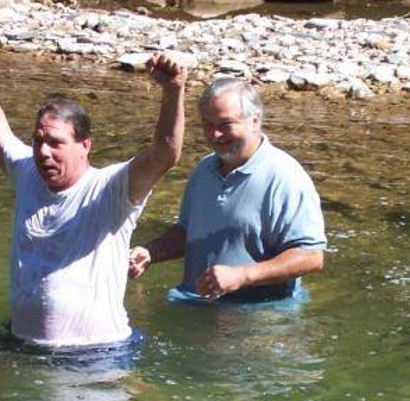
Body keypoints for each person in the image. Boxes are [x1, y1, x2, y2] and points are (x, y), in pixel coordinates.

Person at [0, 23, 187, 346]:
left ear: (84, 145)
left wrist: (173, 92)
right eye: (38, 141)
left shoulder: (111, 190)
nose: (43, 151)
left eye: (55, 143)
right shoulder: (26, 171)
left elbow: (165, 152)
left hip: (96, 355)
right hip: (21, 347)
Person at [129, 77, 326, 303]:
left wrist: (242, 275)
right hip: (193, 302)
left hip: (262, 317)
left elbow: (311, 256)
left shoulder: (285, 177)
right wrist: (152, 252)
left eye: (225, 125)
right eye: (208, 125)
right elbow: (188, 231)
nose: (215, 135)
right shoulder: (204, 169)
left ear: (255, 122)